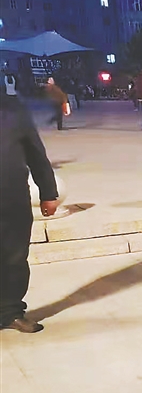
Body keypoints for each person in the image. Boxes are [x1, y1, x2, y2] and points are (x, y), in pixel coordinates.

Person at [0, 86, 59, 333]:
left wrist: (48, 193)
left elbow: (36, 153)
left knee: (14, 259)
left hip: (12, 199)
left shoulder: (13, 109)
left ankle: (10, 313)